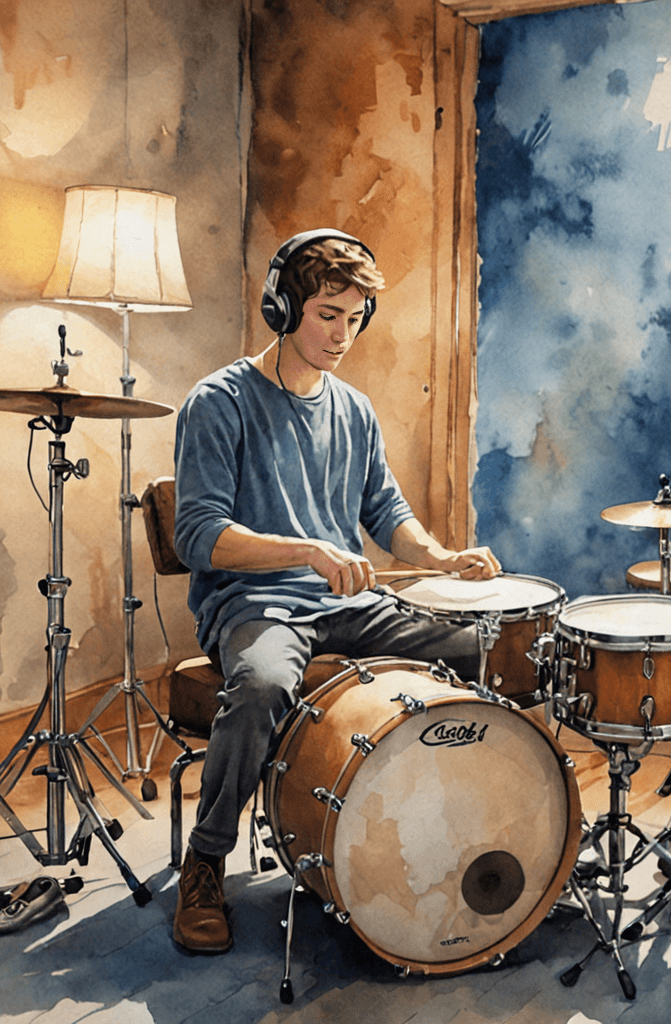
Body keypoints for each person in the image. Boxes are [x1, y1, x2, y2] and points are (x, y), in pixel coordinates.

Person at [171, 229, 501, 953]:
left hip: (344, 603)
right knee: (259, 686)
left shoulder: (353, 409)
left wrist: (442, 559)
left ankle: (450, 830)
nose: (342, 334)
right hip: (255, 607)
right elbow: (197, 537)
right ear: (284, 307)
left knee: (482, 645)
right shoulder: (218, 402)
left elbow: (387, 515)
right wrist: (307, 551)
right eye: (327, 313)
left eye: (355, 318)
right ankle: (205, 861)